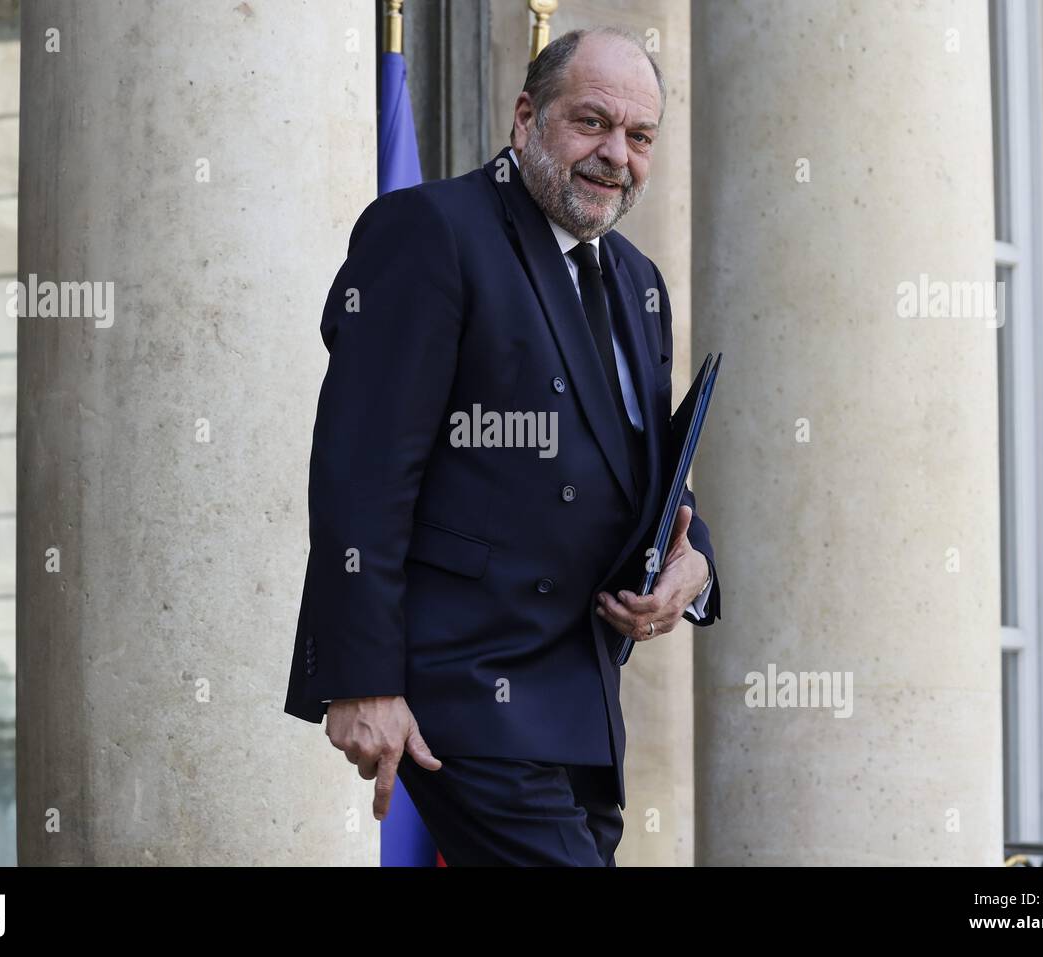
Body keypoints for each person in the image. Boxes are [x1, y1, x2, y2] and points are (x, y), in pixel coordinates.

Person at [283, 26, 720, 866]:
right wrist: (361, 676)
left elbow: (646, 476)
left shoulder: (638, 281)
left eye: (640, 137)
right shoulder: (429, 231)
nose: (616, 155)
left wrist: (692, 560)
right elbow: (360, 470)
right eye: (592, 122)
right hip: (464, 691)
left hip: (584, 699)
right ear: (526, 117)